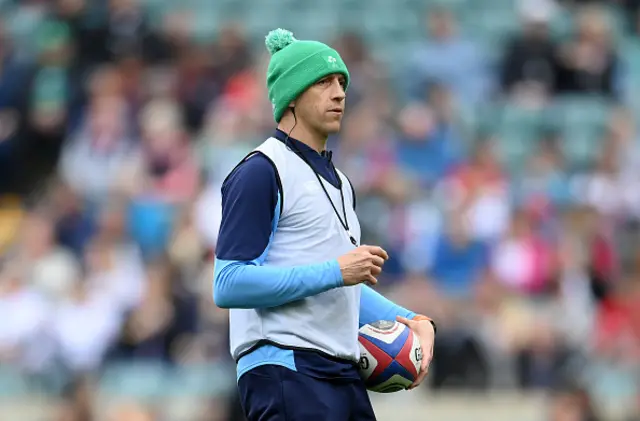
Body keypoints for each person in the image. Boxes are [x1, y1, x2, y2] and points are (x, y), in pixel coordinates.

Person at [213, 28, 437, 421]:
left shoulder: (340, 182)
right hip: (285, 367)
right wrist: (336, 271)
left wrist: (413, 320)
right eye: (323, 82)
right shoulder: (261, 171)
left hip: (341, 369)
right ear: (292, 95)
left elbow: (343, 287)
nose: (339, 93)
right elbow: (229, 283)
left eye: (341, 82)